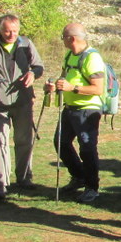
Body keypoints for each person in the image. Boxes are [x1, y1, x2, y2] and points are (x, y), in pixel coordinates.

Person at [0, 14, 44, 200]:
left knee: (24, 141)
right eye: (7, 31)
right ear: (0, 30)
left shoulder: (26, 44)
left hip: (23, 101)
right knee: (1, 141)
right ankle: (1, 183)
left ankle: (24, 178)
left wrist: (32, 74)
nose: (11, 34)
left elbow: (39, 66)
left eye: (14, 31)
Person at [44, 22, 107, 204]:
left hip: (87, 110)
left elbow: (98, 89)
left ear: (71, 38)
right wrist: (54, 85)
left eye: (63, 37)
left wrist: (73, 88)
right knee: (61, 142)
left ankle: (92, 188)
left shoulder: (92, 58)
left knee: (87, 149)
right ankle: (79, 177)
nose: (62, 40)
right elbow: (64, 78)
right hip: (70, 108)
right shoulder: (70, 55)